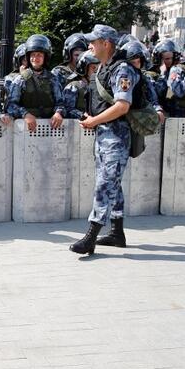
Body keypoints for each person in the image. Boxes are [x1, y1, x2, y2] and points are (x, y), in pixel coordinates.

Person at [69, 25, 139, 255]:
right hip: (104, 135)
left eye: (93, 41)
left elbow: (122, 105)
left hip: (116, 137)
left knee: (104, 185)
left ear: (106, 44)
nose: (90, 45)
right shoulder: (104, 68)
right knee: (112, 183)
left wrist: (95, 121)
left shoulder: (123, 70)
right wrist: (93, 119)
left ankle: (91, 236)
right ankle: (117, 233)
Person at [6, 34, 65, 132]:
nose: (35, 58)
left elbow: (61, 103)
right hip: (25, 130)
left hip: (50, 128)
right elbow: (10, 105)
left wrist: (58, 113)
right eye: (33, 55)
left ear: (45, 57)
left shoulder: (52, 79)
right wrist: (25, 114)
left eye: (39, 55)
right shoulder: (21, 79)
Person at [119, 40, 166, 124]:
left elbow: (153, 98)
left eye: (138, 62)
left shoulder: (145, 78)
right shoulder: (119, 78)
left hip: (138, 119)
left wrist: (158, 110)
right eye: (133, 62)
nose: (136, 65)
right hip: (120, 119)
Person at [63, 50, 100, 119]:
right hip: (76, 127)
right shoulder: (74, 87)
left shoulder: (99, 87)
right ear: (84, 68)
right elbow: (67, 109)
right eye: (93, 68)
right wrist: (82, 116)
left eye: (98, 68)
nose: (96, 71)